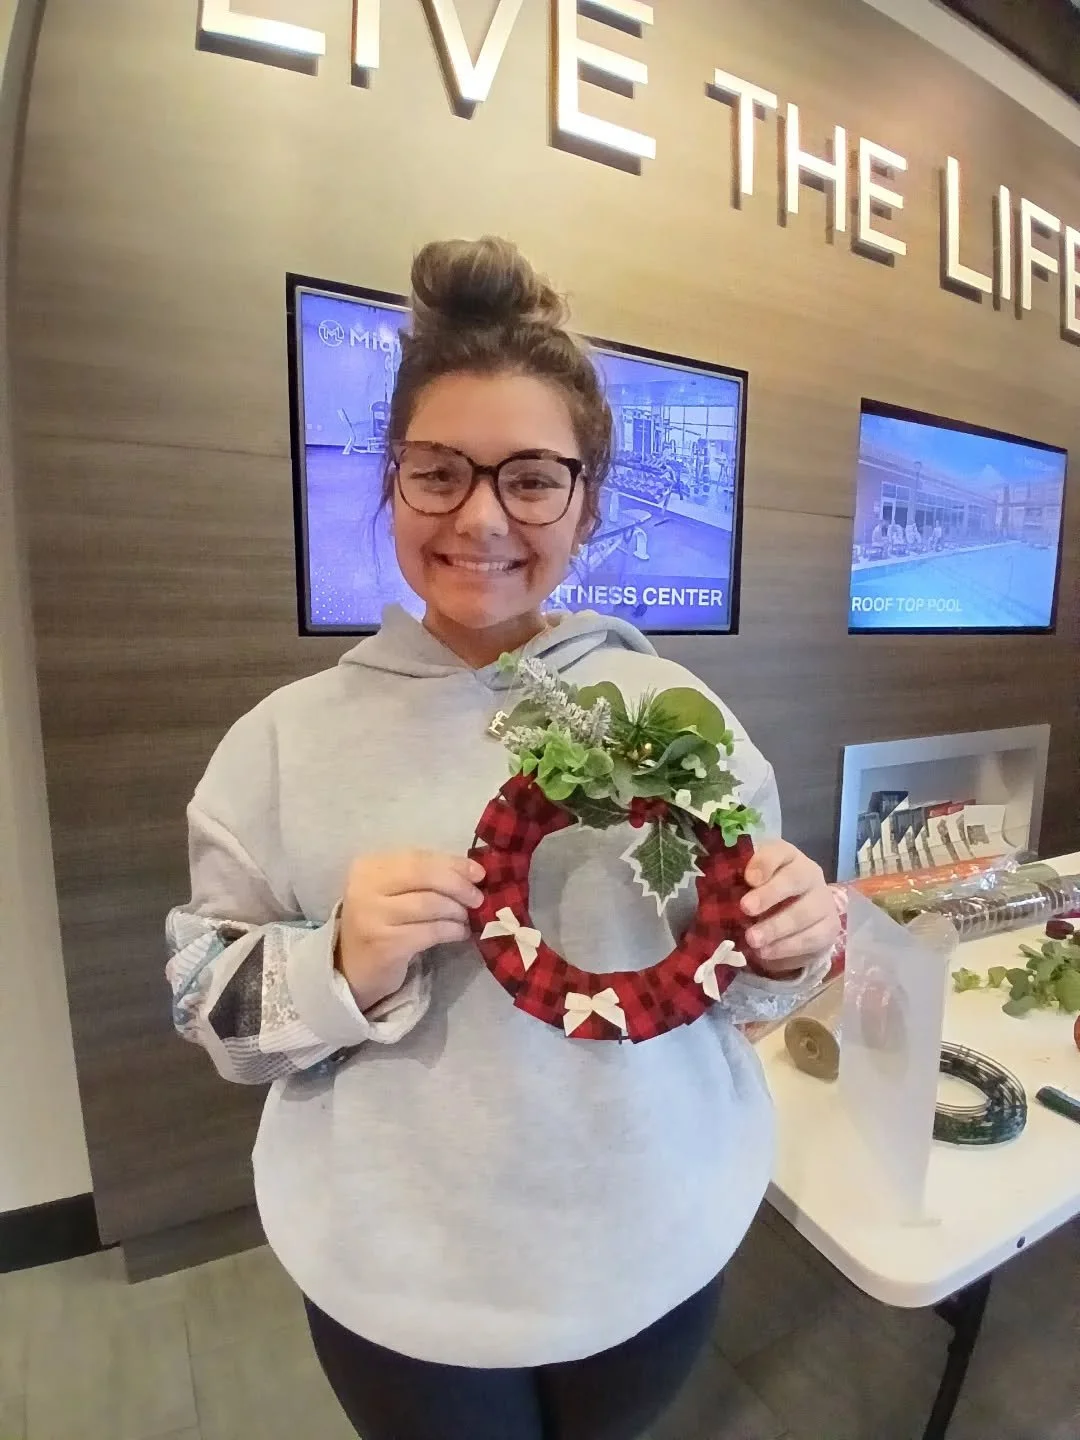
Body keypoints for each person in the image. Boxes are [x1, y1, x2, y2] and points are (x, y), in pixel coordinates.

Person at [166, 237, 840, 1440]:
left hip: (652, 1235)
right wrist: (334, 964)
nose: (482, 517)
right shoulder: (279, 744)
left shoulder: (682, 721)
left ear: (586, 501)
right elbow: (207, 1008)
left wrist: (793, 947)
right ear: (392, 482)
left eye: (532, 478)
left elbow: (741, 998)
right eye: (440, 472)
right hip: (402, 1279)